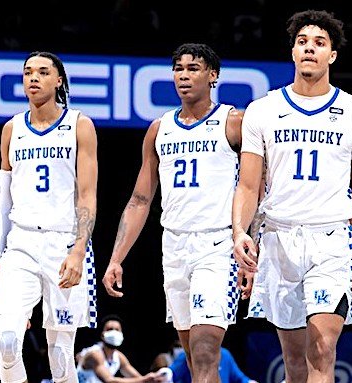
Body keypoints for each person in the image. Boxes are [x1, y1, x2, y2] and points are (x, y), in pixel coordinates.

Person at [232, 9, 352, 383]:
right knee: (294, 362)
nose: (309, 48)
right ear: (293, 52)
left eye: (319, 43)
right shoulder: (263, 111)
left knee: (323, 349)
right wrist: (239, 233)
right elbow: (248, 186)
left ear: (332, 55)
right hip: (279, 238)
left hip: (331, 240)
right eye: (302, 42)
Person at [102, 42, 243, 383]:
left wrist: (251, 237)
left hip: (217, 245)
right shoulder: (159, 128)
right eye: (178, 69)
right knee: (193, 357)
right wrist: (116, 258)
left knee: (208, 349)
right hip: (175, 247)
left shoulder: (234, 121)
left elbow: (258, 182)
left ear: (213, 75)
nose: (184, 75)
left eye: (193, 68)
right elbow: (139, 200)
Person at [0, 51, 98, 383]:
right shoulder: (11, 129)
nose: (32, 78)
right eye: (27, 72)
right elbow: (4, 201)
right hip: (20, 242)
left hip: (64, 242)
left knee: (61, 354)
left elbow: (87, 195)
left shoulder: (79, 124)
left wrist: (79, 249)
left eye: (42, 72)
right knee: (7, 341)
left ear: (59, 80)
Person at [76, 314, 168, 383]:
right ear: (102, 335)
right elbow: (109, 381)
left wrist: (153, 379)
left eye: (117, 329)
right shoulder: (95, 354)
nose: (114, 332)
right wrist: (145, 379)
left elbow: (137, 378)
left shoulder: (118, 357)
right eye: (110, 329)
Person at [169, 347, 258, 383]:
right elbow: (172, 373)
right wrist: (164, 373)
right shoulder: (187, 355)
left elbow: (239, 378)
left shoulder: (225, 354)